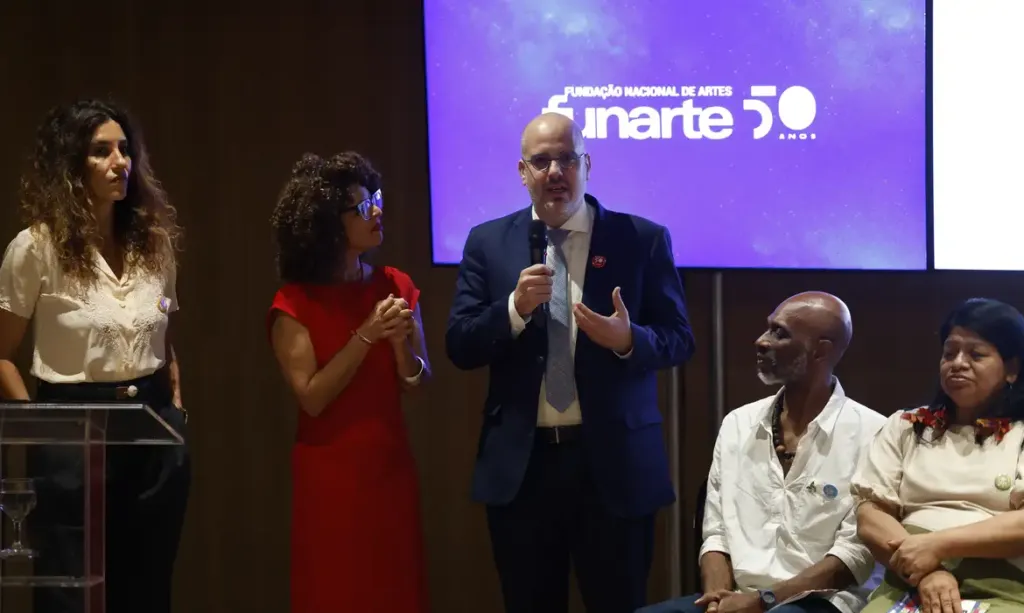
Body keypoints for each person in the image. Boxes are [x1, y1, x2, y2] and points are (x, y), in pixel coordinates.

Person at [445, 112, 694, 613]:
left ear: (587, 165)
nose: (555, 172)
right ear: (523, 172)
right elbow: (460, 345)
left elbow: (679, 339)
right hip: (524, 472)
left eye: (567, 159)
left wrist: (629, 339)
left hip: (613, 469)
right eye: (542, 161)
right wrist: (513, 310)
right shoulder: (488, 242)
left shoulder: (641, 239)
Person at [0, 99, 189, 613]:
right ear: (70, 163)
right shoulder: (34, 249)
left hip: (152, 433)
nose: (119, 162)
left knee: (146, 590)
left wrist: (175, 410)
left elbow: (165, 338)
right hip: (71, 433)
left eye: (125, 150)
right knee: (70, 591)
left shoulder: (154, 244)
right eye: (101, 151)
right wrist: (38, 426)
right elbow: (2, 354)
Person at [639, 292, 885, 613]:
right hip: (739, 596)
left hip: (823, 601)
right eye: (768, 328)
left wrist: (763, 601)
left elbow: (854, 556)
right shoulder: (738, 423)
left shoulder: (874, 433)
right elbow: (716, 533)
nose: (761, 341)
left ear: (821, 350)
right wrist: (716, 599)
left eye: (779, 333)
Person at [267, 151, 431, 613]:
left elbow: (418, 382)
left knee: (395, 589)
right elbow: (312, 398)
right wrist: (366, 334)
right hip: (330, 475)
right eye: (362, 207)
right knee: (337, 590)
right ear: (327, 224)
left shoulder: (396, 284)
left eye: (376, 199)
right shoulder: (293, 303)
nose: (377, 212)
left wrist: (400, 345)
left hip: (389, 466)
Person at [852, 298, 1024, 613]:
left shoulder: (1020, 434)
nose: (957, 363)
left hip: (1001, 588)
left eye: (976, 354)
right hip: (909, 579)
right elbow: (871, 516)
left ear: (1011, 370)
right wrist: (927, 571)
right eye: (949, 353)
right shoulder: (905, 425)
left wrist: (938, 545)